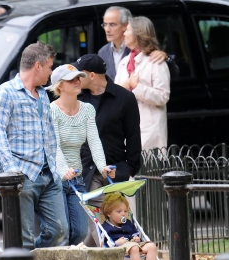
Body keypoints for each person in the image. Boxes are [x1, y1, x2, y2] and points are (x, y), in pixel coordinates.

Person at [0, 41, 68, 250]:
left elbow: (49, 134)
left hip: (48, 174)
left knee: (59, 230)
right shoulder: (5, 92)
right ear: (38, 66)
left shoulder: (42, 94)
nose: (51, 73)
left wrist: (55, 167)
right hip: (22, 174)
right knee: (22, 238)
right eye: (50, 67)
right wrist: (13, 171)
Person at [46, 64, 115, 245]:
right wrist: (63, 170)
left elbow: (94, 141)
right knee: (62, 231)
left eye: (79, 77)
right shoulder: (51, 111)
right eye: (72, 79)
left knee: (80, 231)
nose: (78, 81)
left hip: (77, 178)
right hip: (56, 179)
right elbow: (54, 146)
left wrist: (103, 167)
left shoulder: (87, 109)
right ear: (60, 86)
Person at [73, 54, 141, 205]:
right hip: (85, 173)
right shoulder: (75, 98)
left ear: (91, 75)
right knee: (96, 224)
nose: (75, 78)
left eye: (79, 74)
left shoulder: (125, 98)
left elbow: (133, 137)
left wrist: (128, 170)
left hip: (115, 173)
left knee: (116, 223)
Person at [114, 16, 170, 151]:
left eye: (127, 30)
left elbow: (163, 96)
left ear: (138, 33)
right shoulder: (124, 62)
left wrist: (137, 87)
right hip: (126, 129)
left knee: (148, 170)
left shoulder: (156, 62)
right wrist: (125, 86)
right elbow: (114, 95)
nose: (124, 33)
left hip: (149, 129)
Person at [98, 6, 179, 81]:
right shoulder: (103, 52)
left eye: (112, 24)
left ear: (125, 26)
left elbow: (171, 74)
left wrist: (166, 58)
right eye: (105, 24)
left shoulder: (140, 47)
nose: (107, 29)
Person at [101, 193, 165, 260]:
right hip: (118, 248)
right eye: (119, 212)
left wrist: (136, 238)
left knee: (151, 246)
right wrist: (117, 242)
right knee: (134, 247)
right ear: (109, 213)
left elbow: (135, 233)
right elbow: (104, 243)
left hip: (133, 245)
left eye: (125, 211)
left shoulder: (128, 223)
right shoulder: (106, 227)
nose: (123, 214)